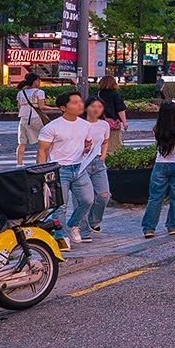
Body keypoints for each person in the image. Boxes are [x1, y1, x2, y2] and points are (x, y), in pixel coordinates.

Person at [36, 91, 94, 249]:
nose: (80, 105)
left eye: (80, 101)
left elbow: (86, 144)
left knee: (88, 200)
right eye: (74, 102)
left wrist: (87, 148)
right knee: (60, 205)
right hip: (59, 169)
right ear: (63, 107)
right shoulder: (52, 127)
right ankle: (60, 236)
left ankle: (73, 225)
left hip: (79, 167)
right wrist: (41, 172)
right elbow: (42, 151)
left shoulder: (85, 125)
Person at [141, 100, 175, 238]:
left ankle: (149, 228)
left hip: (161, 165)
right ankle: (173, 226)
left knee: (155, 198)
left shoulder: (157, 128)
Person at [81, 96, 112, 234]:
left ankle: (94, 221)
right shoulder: (80, 124)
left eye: (99, 107)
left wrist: (103, 154)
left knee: (104, 195)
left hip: (98, 162)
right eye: (93, 106)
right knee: (84, 198)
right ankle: (83, 228)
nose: (96, 109)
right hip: (82, 163)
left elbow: (105, 141)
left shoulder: (104, 125)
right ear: (87, 107)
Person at [16, 73, 58, 166]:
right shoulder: (39, 92)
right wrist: (54, 108)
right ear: (35, 81)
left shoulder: (21, 93)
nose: (39, 82)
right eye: (39, 80)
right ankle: (41, 162)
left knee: (22, 142)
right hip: (36, 118)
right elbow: (41, 106)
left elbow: (19, 108)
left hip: (23, 119)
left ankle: (19, 163)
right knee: (44, 140)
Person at [96, 75, 129, 155]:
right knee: (114, 145)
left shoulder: (97, 94)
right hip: (113, 123)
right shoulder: (115, 95)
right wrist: (124, 123)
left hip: (99, 122)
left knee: (100, 145)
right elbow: (120, 110)